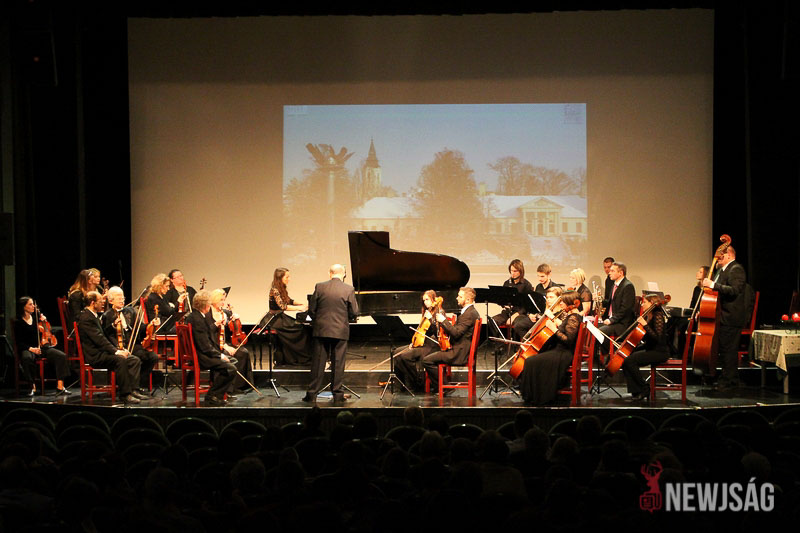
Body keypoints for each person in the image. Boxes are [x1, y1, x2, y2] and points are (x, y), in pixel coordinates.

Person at [77, 291, 144, 404]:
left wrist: (119, 347)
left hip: (103, 352)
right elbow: (99, 340)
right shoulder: (86, 318)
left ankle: (134, 390)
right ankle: (125, 394)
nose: (103, 303)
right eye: (100, 301)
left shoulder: (93, 315)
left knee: (134, 360)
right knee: (120, 360)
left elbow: (103, 334)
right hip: (95, 355)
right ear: (93, 303)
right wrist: (116, 351)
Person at [304, 264, 358, 403]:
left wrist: (318, 321)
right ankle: (338, 395)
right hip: (340, 330)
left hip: (321, 330)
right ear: (344, 274)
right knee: (338, 363)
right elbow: (354, 312)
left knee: (318, 363)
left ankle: (311, 394)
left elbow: (312, 309)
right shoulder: (349, 289)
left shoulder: (320, 286)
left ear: (330, 273)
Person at [518, 289, 582, 405]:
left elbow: (568, 340)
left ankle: (536, 396)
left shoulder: (574, 317)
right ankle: (533, 394)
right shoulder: (572, 316)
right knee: (532, 359)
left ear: (569, 303)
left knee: (530, 361)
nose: (560, 303)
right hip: (559, 350)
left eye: (563, 301)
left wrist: (554, 329)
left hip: (563, 353)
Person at [701, 245, 747, 390]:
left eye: (721, 255)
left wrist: (713, 284)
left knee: (728, 350)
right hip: (722, 315)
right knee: (725, 349)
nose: (718, 257)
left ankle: (728, 380)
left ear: (729, 255)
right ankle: (731, 379)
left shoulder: (736, 269)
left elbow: (734, 290)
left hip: (731, 316)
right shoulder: (721, 270)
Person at [422, 287, 481, 392]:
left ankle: (444, 387)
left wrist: (444, 321)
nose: (457, 298)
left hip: (458, 353)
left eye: (460, 296)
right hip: (460, 349)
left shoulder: (468, 314)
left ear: (468, 300)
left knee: (426, 360)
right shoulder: (470, 312)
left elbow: (456, 333)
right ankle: (441, 385)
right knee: (432, 355)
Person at [102, 286, 158, 394]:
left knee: (153, 357)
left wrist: (150, 325)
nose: (122, 300)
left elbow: (140, 327)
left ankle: (138, 384)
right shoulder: (107, 315)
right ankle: (133, 389)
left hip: (133, 344)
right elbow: (106, 334)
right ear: (111, 300)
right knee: (135, 359)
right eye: (119, 298)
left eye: (123, 297)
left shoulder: (130, 311)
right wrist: (113, 326)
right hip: (119, 347)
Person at [187, 290, 238, 406]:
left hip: (202, 353)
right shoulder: (198, 320)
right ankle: (212, 395)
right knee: (231, 368)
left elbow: (205, 334)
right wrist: (220, 355)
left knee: (233, 361)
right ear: (205, 305)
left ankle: (218, 393)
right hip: (202, 357)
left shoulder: (196, 316)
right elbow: (205, 346)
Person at [13, 297, 71, 396]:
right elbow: (19, 342)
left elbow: (45, 332)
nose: (33, 306)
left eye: (33, 304)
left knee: (61, 356)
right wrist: (32, 349)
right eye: (30, 304)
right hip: (28, 348)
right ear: (24, 307)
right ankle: (32, 386)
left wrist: (44, 321)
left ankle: (60, 386)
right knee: (26, 358)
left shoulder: (36, 318)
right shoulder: (18, 322)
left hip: (41, 347)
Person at [620, 293, 669, 401]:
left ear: (651, 303)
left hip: (660, 352)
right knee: (626, 358)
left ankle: (644, 388)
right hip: (651, 349)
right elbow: (648, 339)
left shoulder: (658, 316)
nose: (642, 304)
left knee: (630, 361)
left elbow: (657, 338)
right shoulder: (649, 315)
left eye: (645, 302)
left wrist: (645, 325)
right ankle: (636, 391)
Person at [393, 290, 441, 391]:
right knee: (396, 352)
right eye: (424, 300)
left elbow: (438, 333)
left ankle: (417, 382)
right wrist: (414, 342)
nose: (425, 302)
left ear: (433, 300)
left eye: (427, 300)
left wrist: (431, 319)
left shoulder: (439, 312)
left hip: (432, 346)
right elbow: (422, 332)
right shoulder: (427, 312)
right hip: (423, 344)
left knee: (405, 356)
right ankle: (401, 385)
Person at [208, 288, 254, 392]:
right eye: (221, 300)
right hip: (214, 345)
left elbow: (231, 330)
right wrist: (225, 346)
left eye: (224, 300)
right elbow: (209, 334)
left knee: (243, 352)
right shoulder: (208, 313)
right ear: (214, 300)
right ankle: (227, 388)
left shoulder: (225, 313)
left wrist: (235, 319)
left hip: (225, 342)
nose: (223, 302)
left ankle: (239, 386)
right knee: (228, 354)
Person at [267, 268, 311, 366]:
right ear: (280, 277)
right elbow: (283, 306)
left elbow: (289, 300)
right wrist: (299, 308)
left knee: (302, 326)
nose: (289, 279)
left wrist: (302, 303)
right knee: (300, 329)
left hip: (280, 317)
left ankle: (297, 356)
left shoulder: (281, 288)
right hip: (275, 319)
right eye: (287, 277)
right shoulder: (274, 290)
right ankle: (299, 358)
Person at [491, 259, 536, 344]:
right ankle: (501, 343)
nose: (512, 273)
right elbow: (502, 300)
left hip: (520, 314)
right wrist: (503, 304)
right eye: (511, 271)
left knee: (518, 325)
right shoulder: (507, 283)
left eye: (515, 271)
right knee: (493, 321)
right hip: (507, 312)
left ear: (521, 271)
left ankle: (521, 345)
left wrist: (514, 316)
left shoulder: (527, 285)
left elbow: (527, 306)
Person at [598, 262, 636, 356]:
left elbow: (625, 309)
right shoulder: (614, 285)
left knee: (599, 332)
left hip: (622, 323)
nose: (609, 273)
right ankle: (599, 356)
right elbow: (611, 302)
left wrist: (611, 320)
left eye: (612, 271)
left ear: (620, 273)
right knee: (593, 329)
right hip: (614, 320)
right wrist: (600, 300)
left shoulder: (628, 286)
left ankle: (611, 353)